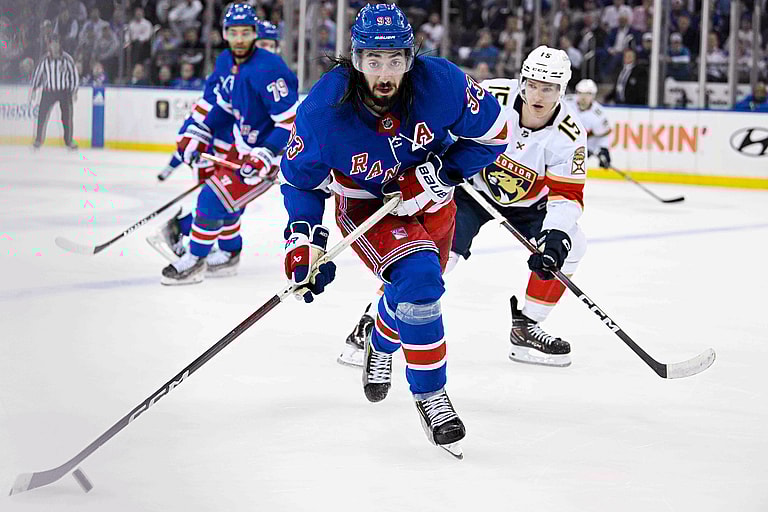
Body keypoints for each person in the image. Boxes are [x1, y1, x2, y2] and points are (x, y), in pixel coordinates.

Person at [280, 3, 507, 455]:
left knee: (414, 292)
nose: (385, 73)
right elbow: (300, 182)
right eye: (374, 61)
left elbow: (496, 134)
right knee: (421, 279)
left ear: (411, 57)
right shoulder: (323, 110)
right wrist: (302, 241)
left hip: (435, 203)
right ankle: (430, 395)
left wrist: (436, 175)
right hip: (366, 209)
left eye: (396, 60)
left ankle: (380, 344)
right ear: (356, 59)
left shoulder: (440, 83)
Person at [449, 46, 588, 368]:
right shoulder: (492, 96)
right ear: (521, 80)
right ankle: (377, 322)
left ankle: (527, 325)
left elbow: (566, 194)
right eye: (533, 84)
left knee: (573, 245)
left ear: (562, 90)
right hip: (471, 190)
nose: (538, 95)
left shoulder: (569, 133)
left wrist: (555, 238)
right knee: (440, 254)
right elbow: (447, 126)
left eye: (549, 88)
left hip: (529, 205)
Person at [157, 3, 299, 285]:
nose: (239, 39)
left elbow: (290, 122)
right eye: (233, 33)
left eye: (245, 33)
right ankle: (229, 254)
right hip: (242, 149)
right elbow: (225, 105)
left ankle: (194, 260)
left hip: (268, 159)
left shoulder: (270, 68)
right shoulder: (226, 61)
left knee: (210, 198)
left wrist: (267, 152)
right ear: (224, 34)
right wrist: (201, 131)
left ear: (254, 34)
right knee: (227, 203)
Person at [30, 35, 79, 150]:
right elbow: (38, 74)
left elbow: (74, 75)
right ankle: (38, 140)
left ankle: (68, 141)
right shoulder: (45, 60)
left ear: (60, 44)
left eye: (57, 43)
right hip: (48, 91)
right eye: (52, 43)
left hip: (64, 92)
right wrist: (34, 89)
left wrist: (74, 90)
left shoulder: (67, 59)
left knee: (67, 118)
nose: (55, 46)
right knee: (42, 116)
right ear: (49, 45)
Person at [565, 78, 612, 169]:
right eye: (580, 93)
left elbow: (603, 133)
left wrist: (603, 150)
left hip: (580, 150)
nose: (583, 97)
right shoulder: (566, 102)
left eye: (588, 94)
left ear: (593, 96)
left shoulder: (599, 114)